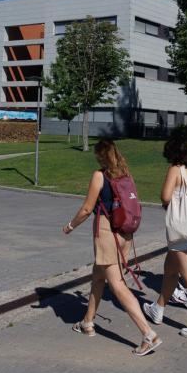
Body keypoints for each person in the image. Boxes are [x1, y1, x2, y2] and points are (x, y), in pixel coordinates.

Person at [63, 139, 161, 356]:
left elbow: (87, 208)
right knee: (98, 277)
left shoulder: (100, 176)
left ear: (100, 156)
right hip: (125, 234)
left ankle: (148, 334)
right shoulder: (125, 174)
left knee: (117, 285)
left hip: (107, 235)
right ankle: (87, 322)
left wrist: (70, 226)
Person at [142, 139, 187, 340]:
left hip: (180, 230)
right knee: (170, 270)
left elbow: (165, 196)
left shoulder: (176, 169)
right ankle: (158, 307)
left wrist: (175, 196)